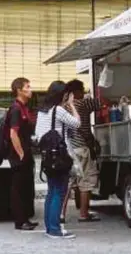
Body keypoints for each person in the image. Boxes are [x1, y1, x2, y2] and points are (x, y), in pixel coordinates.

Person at [35, 81, 80, 239]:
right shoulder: (59, 110)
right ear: (63, 94)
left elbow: (38, 134)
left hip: (48, 156)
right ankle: (55, 229)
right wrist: (72, 105)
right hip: (61, 156)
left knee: (51, 191)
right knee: (59, 192)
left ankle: (50, 227)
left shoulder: (42, 111)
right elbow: (76, 123)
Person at [61, 79, 103, 222]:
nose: (84, 92)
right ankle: (84, 214)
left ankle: (61, 214)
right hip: (81, 148)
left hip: (69, 148)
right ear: (77, 92)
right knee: (85, 182)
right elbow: (102, 102)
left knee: (69, 182)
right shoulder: (83, 103)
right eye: (82, 90)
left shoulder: (63, 106)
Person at [7, 77, 38, 231]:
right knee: (19, 188)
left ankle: (26, 217)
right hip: (19, 155)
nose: (30, 89)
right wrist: (20, 154)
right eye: (28, 86)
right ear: (19, 90)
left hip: (26, 152)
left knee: (27, 187)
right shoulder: (16, 109)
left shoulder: (25, 107)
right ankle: (20, 221)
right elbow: (13, 133)